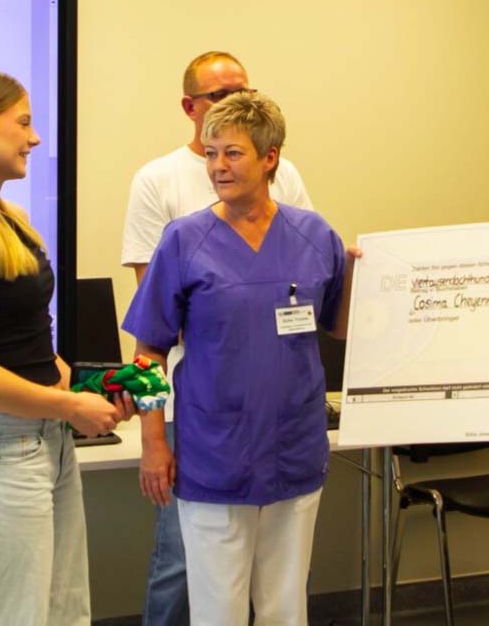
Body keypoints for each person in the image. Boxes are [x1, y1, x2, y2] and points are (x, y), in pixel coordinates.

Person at [123, 91, 358, 626]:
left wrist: (360, 277)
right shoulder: (184, 240)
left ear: (270, 158)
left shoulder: (314, 235)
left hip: (294, 448)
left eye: (232, 153)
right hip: (214, 454)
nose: (217, 167)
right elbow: (148, 352)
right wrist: (154, 442)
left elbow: (339, 327)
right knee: (217, 611)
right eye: (211, 154)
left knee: (285, 607)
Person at [0, 69, 133, 626]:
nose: (34, 138)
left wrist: (96, 389)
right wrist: (71, 406)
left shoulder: (12, 220)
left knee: (65, 615)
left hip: (46, 445)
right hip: (0, 451)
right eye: (24, 123)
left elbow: (33, 349)